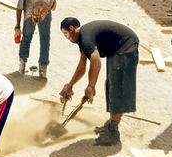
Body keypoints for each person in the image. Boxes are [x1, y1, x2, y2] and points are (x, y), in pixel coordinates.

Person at [60, 18, 139, 147]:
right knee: (111, 84)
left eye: (65, 34)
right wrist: (70, 86)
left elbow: (95, 60)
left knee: (117, 87)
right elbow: (82, 66)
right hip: (117, 48)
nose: (66, 37)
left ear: (71, 29)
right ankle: (112, 123)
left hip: (126, 46)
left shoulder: (85, 38)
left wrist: (91, 86)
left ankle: (113, 132)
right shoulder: (83, 39)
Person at [14, 0, 57, 77]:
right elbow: (19, 10)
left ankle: (23, 66)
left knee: (27, 37)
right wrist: (17, 27)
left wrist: (18, 26)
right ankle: (42, 69)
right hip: (41, 5)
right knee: (43, 38)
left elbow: (19, 10)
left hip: (40, 7)